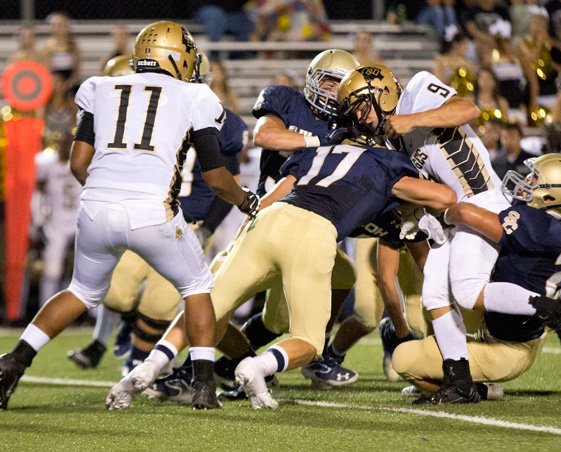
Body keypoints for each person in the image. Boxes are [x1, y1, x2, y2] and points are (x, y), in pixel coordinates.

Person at [0, 20, 259, 411]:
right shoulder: (196, 95)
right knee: (197, 286)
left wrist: (108, 193)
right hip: (152, 210)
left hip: (95, 206)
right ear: (174, 57)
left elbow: (79, 163)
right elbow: (216, 176)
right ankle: (204, 386)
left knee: (81, 292)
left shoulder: (100, 87)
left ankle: (14, 360)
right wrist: (245, 201)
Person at [105, 48, 361, 407]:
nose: (335, 91)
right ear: (316, 79)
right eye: (331, 81)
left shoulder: (350, 128)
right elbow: (267, 136)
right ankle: (185, 370)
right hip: (268, 216)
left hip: (307, 228)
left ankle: (250, 364)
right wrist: (321, 144)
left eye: (342, 85)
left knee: (314, 295)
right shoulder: (287, 101)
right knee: (216, 301)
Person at [209, 64, 456, 409]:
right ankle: (252, 364)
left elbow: (277, 195)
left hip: (280, 224)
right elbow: (445, 199)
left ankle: (173, 365)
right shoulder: (366, 158)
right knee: (293, 329)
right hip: (304, 229)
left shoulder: (345, 161)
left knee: (208, 305)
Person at [67, 52, 249, 374]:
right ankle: (126, 338)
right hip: (147, 214)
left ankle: (141, 361)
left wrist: (207, 228)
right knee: (117, 295)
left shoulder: (216, 119)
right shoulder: (149, 117)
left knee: (163, 304)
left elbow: (226, 181)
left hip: (186, 224)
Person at [393, 153, 561, 397]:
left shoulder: (538, 227)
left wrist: (443, 217)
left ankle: (469, 387)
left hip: (508, 347)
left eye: (534, 179)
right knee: (438, 294)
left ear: (550, 196)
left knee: (402, 360)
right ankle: (454, 371)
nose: (526, 181)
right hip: (513, 319)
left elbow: (464, 213)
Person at [384, 68, 509, 404]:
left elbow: (469, 109)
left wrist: (413, 119)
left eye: (364, 107)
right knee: (434, 294)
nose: (362, 116)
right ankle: (460, 381)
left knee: (468, 291)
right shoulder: (392, 142)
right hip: (452, 218)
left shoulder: (417, 89)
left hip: (482, 201)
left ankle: (551, 308)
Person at [36, 134, 82, 307]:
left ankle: (91, 314)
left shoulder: (79, 162)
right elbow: (38, 192)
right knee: (52, 270)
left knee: (87, 270)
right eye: (64, 144)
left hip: (79, 221)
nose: (66, 148)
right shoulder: (48, 165)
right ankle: (44, 308)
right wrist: (39, 221)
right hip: (56, 223)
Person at [191, 0, 255, 60]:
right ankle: (213, 57)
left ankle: (236, 56)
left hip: (232, 13)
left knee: (247, 23)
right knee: (216, 14)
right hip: (206, 10)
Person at [42, 11, 81, 93]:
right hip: (53, 84)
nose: (58, 28)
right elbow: (46, 71)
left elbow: (76, 72)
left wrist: (68, 84)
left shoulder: (73, 46)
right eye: (54, 25)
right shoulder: (47, 47)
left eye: (61, 25)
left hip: (70, 84)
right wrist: (57, 84)